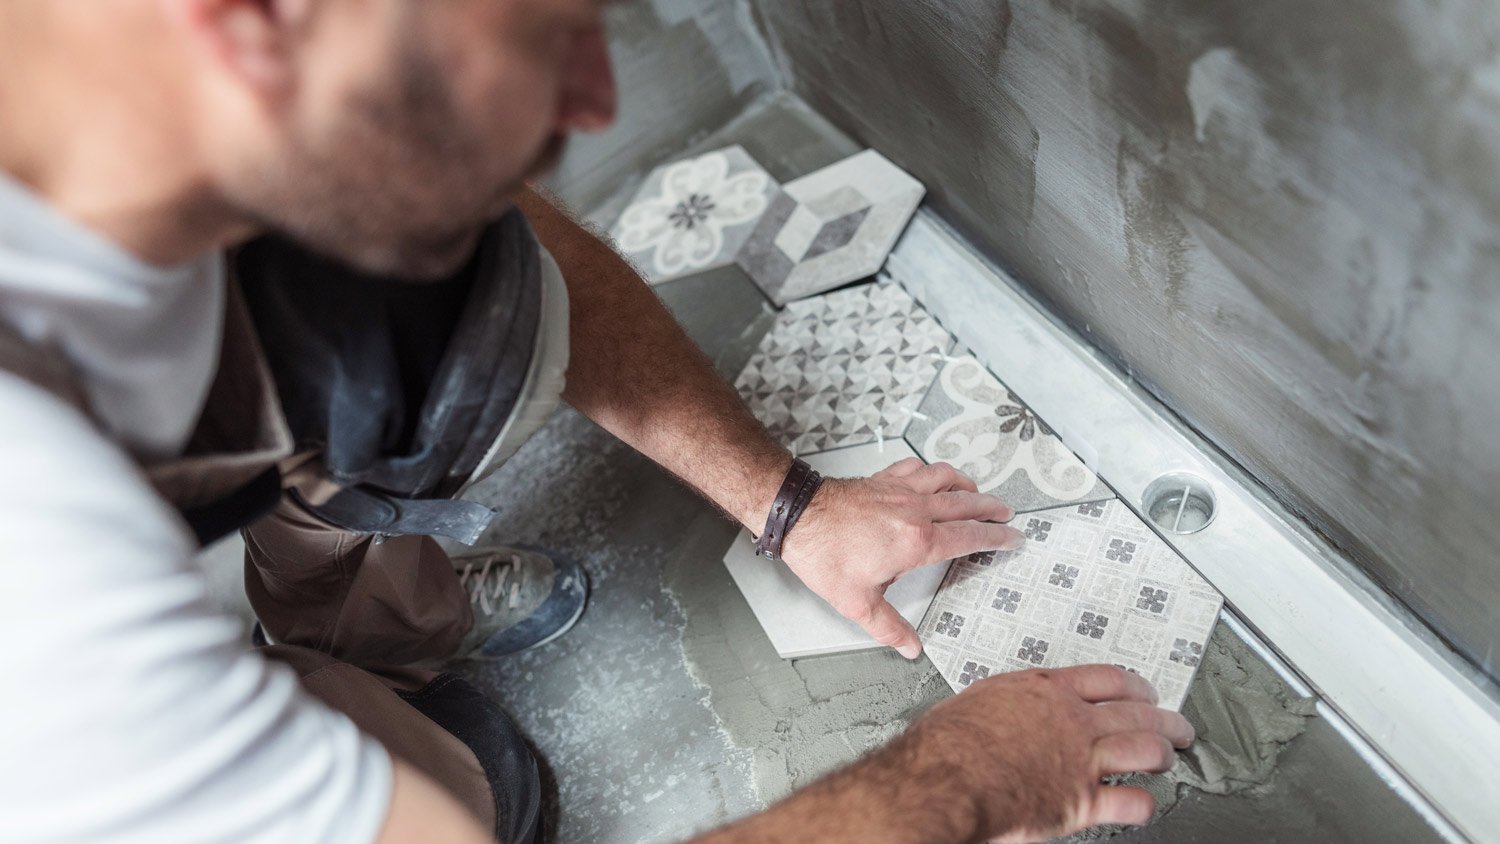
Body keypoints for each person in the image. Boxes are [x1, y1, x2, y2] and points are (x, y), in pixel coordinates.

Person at [0, 1, 1194, 842]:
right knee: (473, 798)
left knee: (427, 290)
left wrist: (794, 504)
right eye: (544, 32)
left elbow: (489, 209)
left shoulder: (168, 84)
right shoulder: (40, 573)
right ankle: (313, 720)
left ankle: (349, 637)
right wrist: (969, 778)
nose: (596, 95)